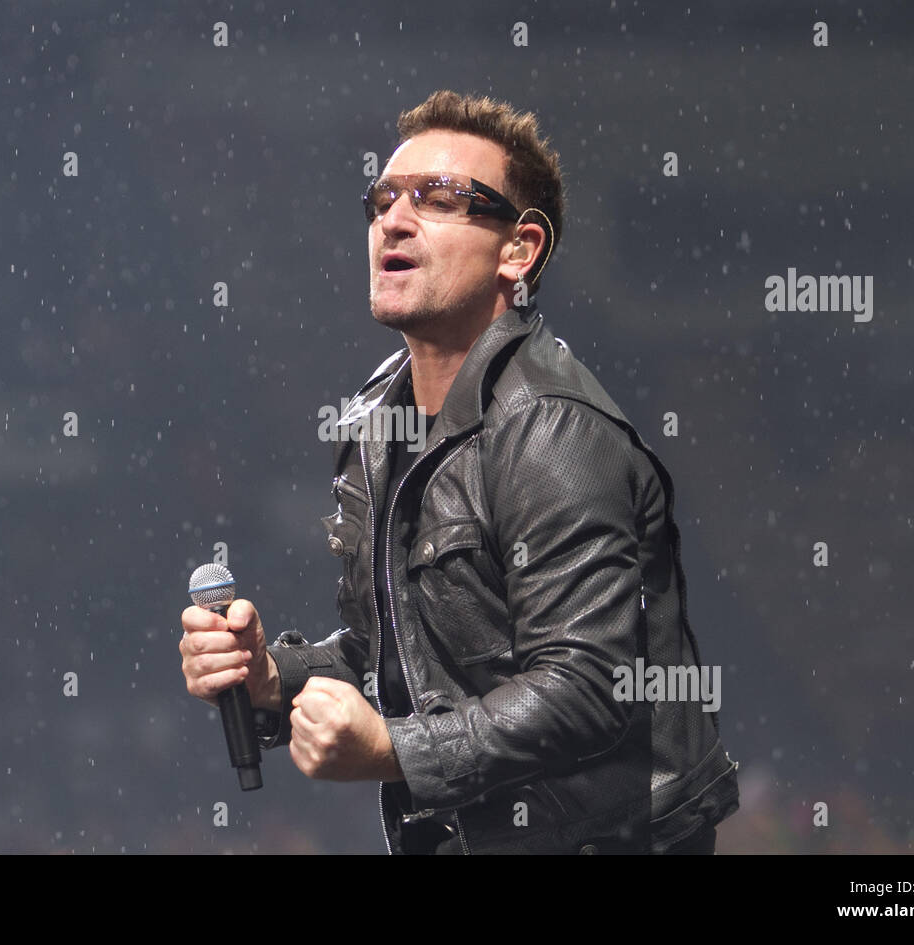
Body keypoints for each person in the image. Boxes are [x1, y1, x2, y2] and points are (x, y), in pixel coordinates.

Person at [181, 89, 739, 854]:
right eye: (383, 199)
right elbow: (402, 652)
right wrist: (273, 677)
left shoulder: (551, 428)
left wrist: (392, 749)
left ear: (520, 249)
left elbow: (587, 686)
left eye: (441, 199)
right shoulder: (377, 421)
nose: (393, 219)